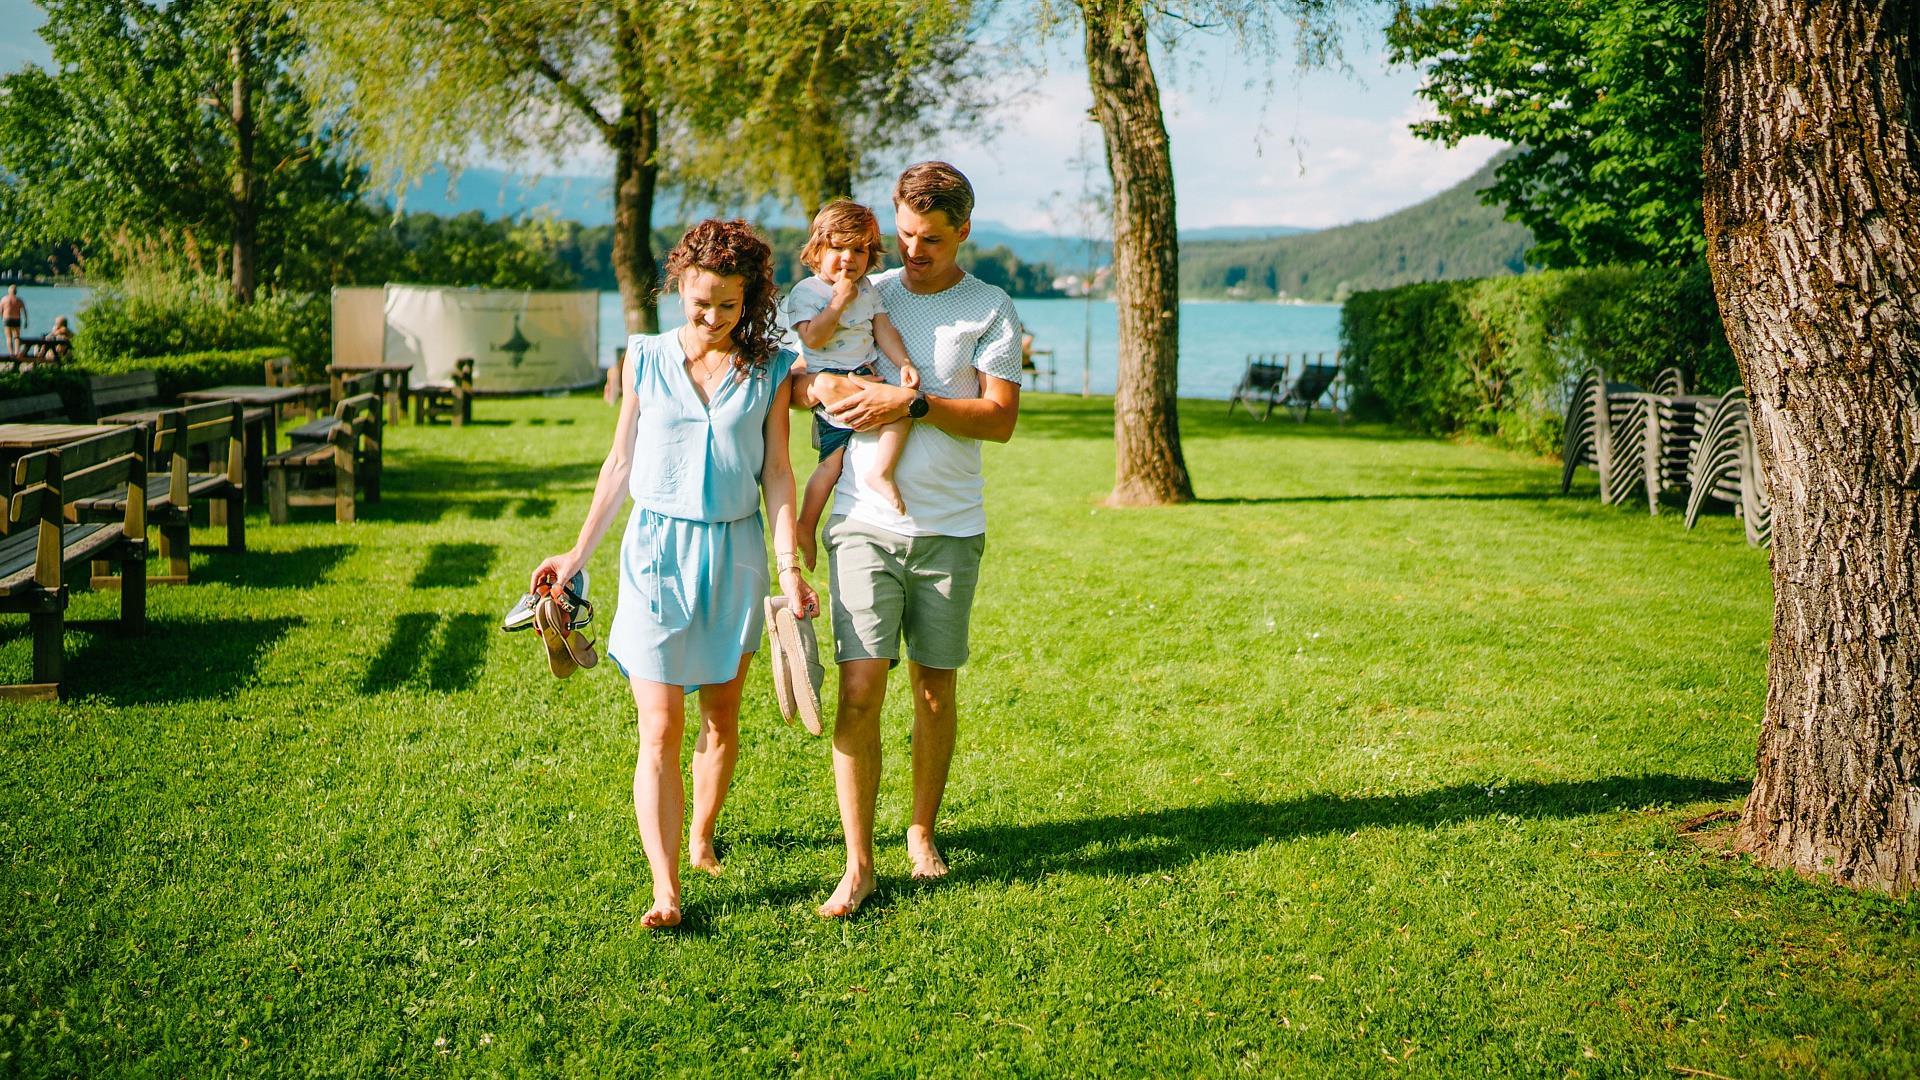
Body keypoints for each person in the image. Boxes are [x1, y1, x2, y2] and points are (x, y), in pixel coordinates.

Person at [531, 219, 817, 930]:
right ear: (678, 289)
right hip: (655, 555)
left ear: (750, 299)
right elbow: (620, 464)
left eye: (729, 305)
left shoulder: (770, 369)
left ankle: (701, 835)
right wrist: (575, 555)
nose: (713, 318)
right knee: (659, 727)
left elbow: (779, 473)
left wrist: (789, 566)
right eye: (700, 303)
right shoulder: (646, 357)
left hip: (735, 554)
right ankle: (666, 890)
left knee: (721, 716)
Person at [794, 162, 1024, 919]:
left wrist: (914, 403)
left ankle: (921, 830)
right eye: (903, 234)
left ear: (964, 231)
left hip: (950, 527)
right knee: (861, 689)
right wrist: (825, 388)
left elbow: (1001, 419)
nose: (912, 251)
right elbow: (800, 375)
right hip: (864, 519)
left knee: (933, 688)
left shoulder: (989, 308)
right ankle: (858, 863)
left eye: (931, 239)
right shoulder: (866, 287)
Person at [782, 199, 920, 569]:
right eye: (838, 248)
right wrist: (838, 302)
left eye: (859, 250)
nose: (848, 258)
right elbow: (813, 338)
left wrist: (904, 361)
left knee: (902, 408)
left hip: (863, 374)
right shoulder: (807, 292)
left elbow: (883, 329)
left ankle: (878, 473)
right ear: (817, 251)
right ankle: (807, 524)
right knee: (831, 465)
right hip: (832, 382)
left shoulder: (867, 289)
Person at [0, 286, 25, 358]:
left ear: (9, 291)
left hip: (7, 319)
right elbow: (24, 311)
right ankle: (17, 352)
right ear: (16, 292)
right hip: (17, 319)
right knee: (17, 337)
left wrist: (2, 318)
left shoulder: (4, 299)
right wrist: (26, 321)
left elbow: (1, 311)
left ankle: (11, 353)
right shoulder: (19, 300)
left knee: (9, 337)